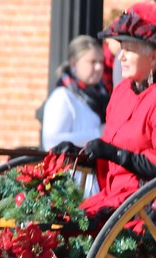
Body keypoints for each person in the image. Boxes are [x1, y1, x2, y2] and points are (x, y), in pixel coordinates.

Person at [52, 2, 156, 221]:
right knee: (56, 224)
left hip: (149, 209)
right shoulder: (123, 91)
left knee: (71, 229)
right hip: (115, 199)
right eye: (120, 47)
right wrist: (79, 153)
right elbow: (110, 155)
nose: (120, 56)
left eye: (129, 49)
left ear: (154, 57)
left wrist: (115, 153)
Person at [41, 35, 109, 198]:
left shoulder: (101, 95)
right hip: (70, 186)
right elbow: (51, 141)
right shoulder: (62, 96)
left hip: (92, 183)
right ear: (73, 64)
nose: (99, 67)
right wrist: (98, 134)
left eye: (101, 62)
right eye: (92, 62)